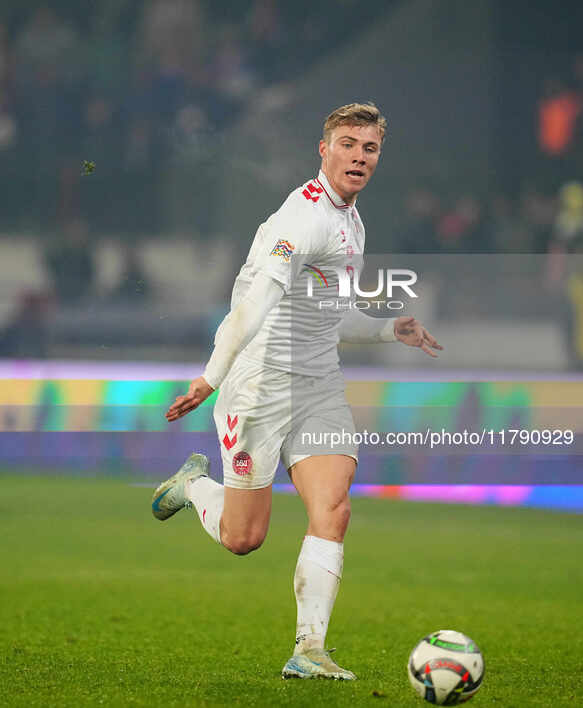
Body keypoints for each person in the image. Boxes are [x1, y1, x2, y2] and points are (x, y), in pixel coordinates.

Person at [151, 102, 442, 680]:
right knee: (243, 537)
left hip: (318, 384)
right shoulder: (300, 220)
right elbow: (253, 305)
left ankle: (309, 649)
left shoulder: (352, 221)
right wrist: (211, 376)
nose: (359, 156)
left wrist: (388, 328)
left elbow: (331, 315)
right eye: (348, 144)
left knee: (333, 507)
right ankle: (194, 485)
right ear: (324, 149)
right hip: (258, 383)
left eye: (370, 148)